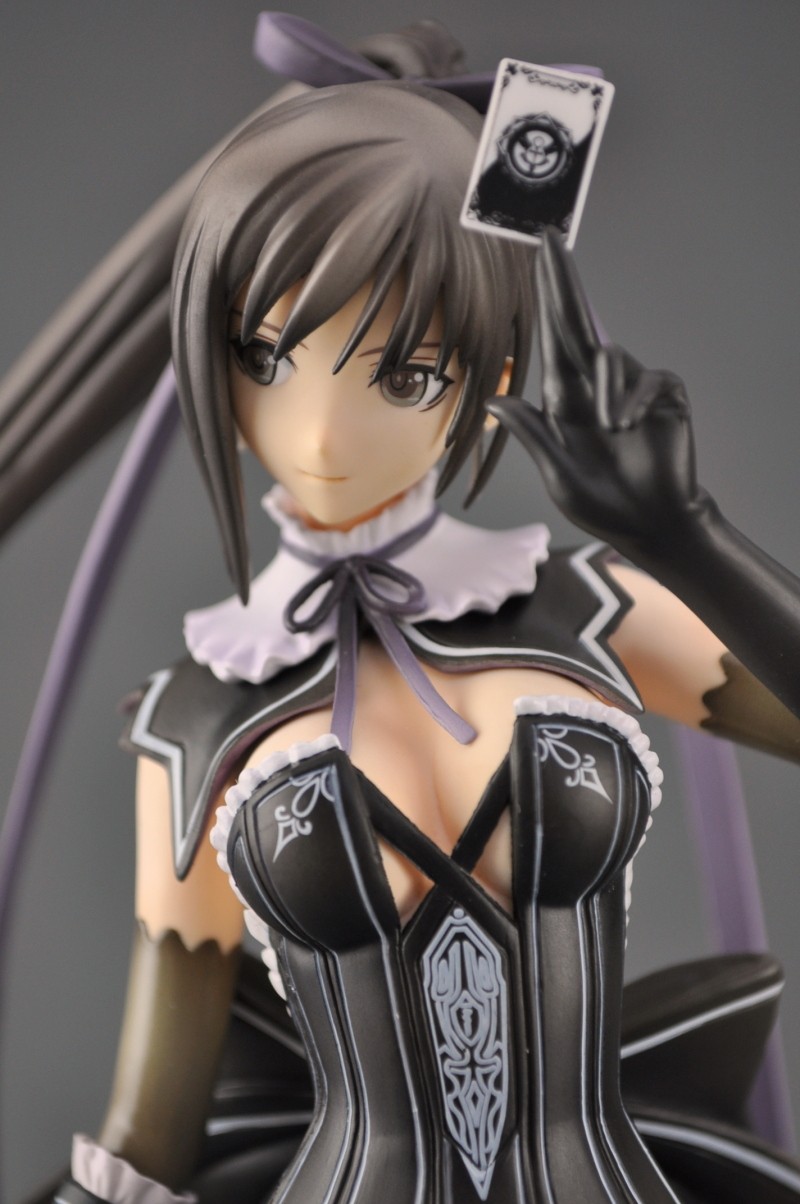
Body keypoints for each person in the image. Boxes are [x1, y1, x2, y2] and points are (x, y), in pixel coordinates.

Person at [6, 16, 800, 1204]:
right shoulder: (195, 720)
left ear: (489, 378)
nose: (321, 430)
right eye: (264, 355)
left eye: (400, 373)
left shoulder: (591, 612)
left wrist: (684, 535)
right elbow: (148, 1133)